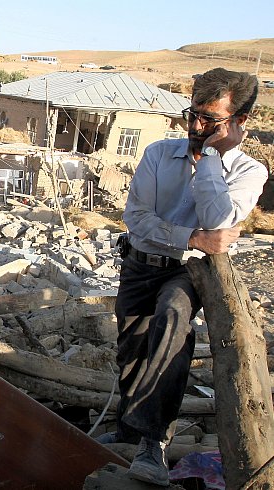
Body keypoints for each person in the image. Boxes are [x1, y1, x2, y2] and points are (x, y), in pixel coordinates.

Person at [97, 68, 269, 486]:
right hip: (141, 263)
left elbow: (219, 218)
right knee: (132, 347)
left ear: (239, 122)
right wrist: (191, 235)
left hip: (188, 271)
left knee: (173, 319)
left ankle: (153, 443)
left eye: (210, 120)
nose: (195, 126)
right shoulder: (158, 153)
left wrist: (211, 158)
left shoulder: (249, 173)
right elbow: (137, 219)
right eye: (193, 114)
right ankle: (128, 430)